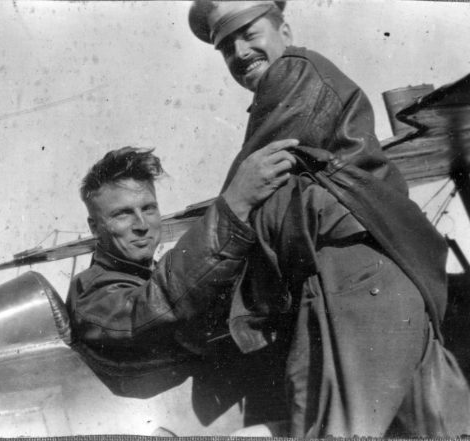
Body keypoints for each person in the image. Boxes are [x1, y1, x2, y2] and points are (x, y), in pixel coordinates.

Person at [188, 0, 470, 437]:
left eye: (249, 33)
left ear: (285, 28)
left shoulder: (293, 73)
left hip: (348, 289)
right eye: (226, 47)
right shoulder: (301, 81)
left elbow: (245, 195)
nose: (239, 52)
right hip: (388, 282)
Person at [65, 143, 296, 415]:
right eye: (122, 213)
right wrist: (235, 205)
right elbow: (154, 306)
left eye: (149, 208)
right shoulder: (91, 291)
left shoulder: (147, 275)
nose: (142, 225)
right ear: (95, 227)